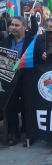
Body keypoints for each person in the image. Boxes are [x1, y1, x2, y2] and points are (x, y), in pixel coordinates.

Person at [0, 16, 42, 146]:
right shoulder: (5, 41)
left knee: (27, 105)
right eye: (12, 25)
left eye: (17, 25)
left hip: (27, 78)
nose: (13, 27)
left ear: (25, 26)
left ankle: (29, 133)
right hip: (9, 78)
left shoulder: (32, 42)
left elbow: (39, 60)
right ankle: (14, 133)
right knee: (10, 106)